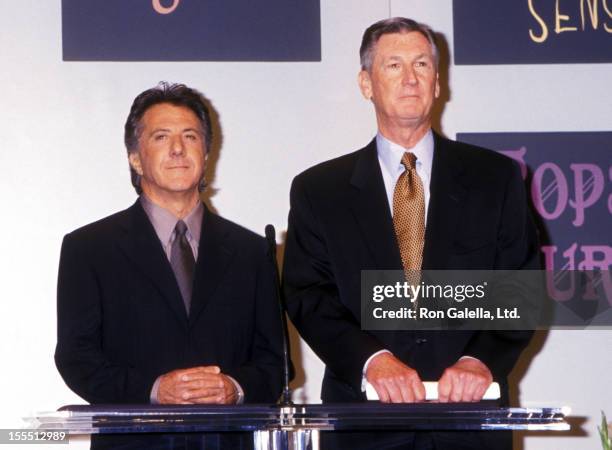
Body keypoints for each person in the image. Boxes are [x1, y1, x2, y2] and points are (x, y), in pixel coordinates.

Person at [283, 18, 539, 449]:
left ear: (438, 83)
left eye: (421, 64)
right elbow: (309, 296)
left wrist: (480, 361)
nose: (409, 78)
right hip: (363, 423)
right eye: (393, 65)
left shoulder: (495, 178)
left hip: (468, 421)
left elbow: (520, 287)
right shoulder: (318, 190)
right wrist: (372, 361)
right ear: (366, 83)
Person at [55, 82, 284, 450]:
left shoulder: (252, 251)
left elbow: (275, 366)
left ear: (207, 153)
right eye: (161, 137)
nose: (178, 149)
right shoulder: (89, 248)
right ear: (134, 156)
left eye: (190, 136)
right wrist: (155, 389)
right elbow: (77, 358)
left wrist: (234, 388)